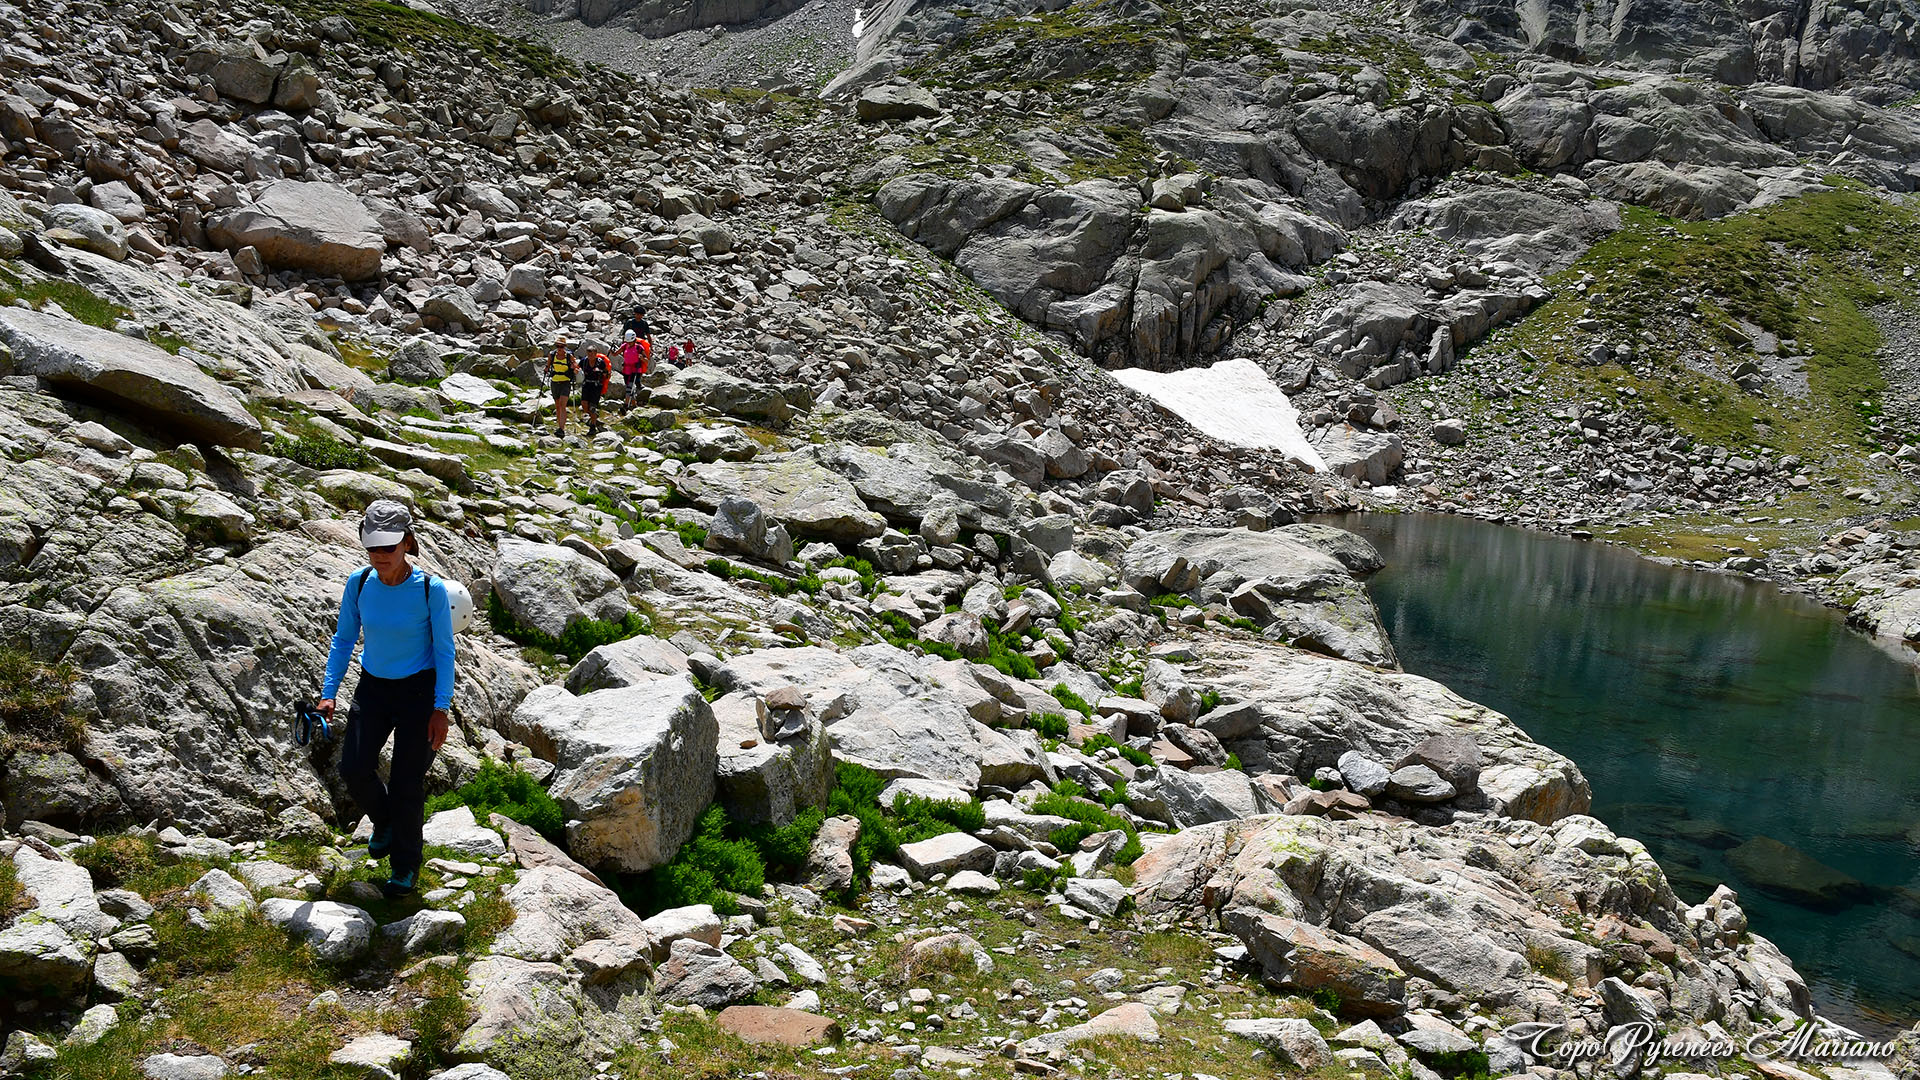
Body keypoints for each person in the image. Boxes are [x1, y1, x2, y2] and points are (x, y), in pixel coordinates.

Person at [318, 500, 455, 899]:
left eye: (388, 548)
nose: (379, 556)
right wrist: (328, 693)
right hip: (373, 687)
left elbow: (444, 651)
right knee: (353, 767)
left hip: (419, 692)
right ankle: (384, 822)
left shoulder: (430, 589)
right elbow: (344, 639)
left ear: (407, 543)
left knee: (406, 782)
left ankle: (405, 866)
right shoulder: (359, 583)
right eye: (372, 548)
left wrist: (441, 708)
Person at [545, 336, 578, 437]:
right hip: (555, 382)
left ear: (565, 347)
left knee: (562, 405)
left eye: (561, 346)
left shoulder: (569, 356)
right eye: (558, 346)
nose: (559, 348)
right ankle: (559, 425)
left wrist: (574, 369)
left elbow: (576, 367)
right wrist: (546, 369)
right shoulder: (552, 355)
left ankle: (561, 428)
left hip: (565, 382)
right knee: (557, 406)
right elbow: (547, 366)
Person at [617, 330, 649, 413]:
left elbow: (646, 360)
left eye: (630, 342)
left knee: (629, 387)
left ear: (634, 340)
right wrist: (612, 351)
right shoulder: (625, 346)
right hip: (626, 370)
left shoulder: (639, 348)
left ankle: (626, 405)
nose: (629, 343)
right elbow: (615, 353)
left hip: (636, 370)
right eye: (628, 342)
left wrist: (642, 358)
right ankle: (634, 405)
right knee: (630, 388)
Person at [581, 350, 612, 434]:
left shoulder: (600, 362)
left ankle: (593, 426)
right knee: (584, 405)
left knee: (592, 407)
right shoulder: (584, 361)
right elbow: (577, 368)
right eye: (589, 354)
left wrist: (602, 373)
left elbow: (607, 374)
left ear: (595, 354)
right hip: (586, 385)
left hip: (596, 386)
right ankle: (594, 416)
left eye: (592, 354)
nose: (590, 356)